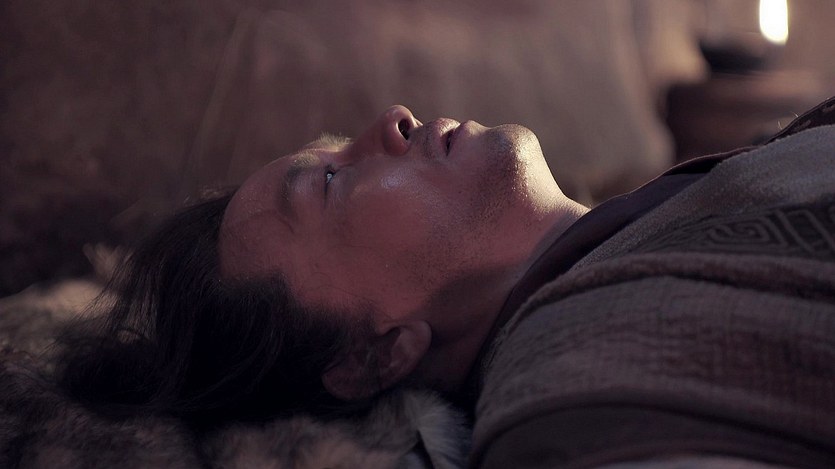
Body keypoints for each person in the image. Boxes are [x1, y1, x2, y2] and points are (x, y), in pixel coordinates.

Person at [57, 99, 835, 467]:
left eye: (337, 148)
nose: (390, 118)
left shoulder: (694, 192)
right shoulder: (584, 381)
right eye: (328, 181)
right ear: (371, 355)